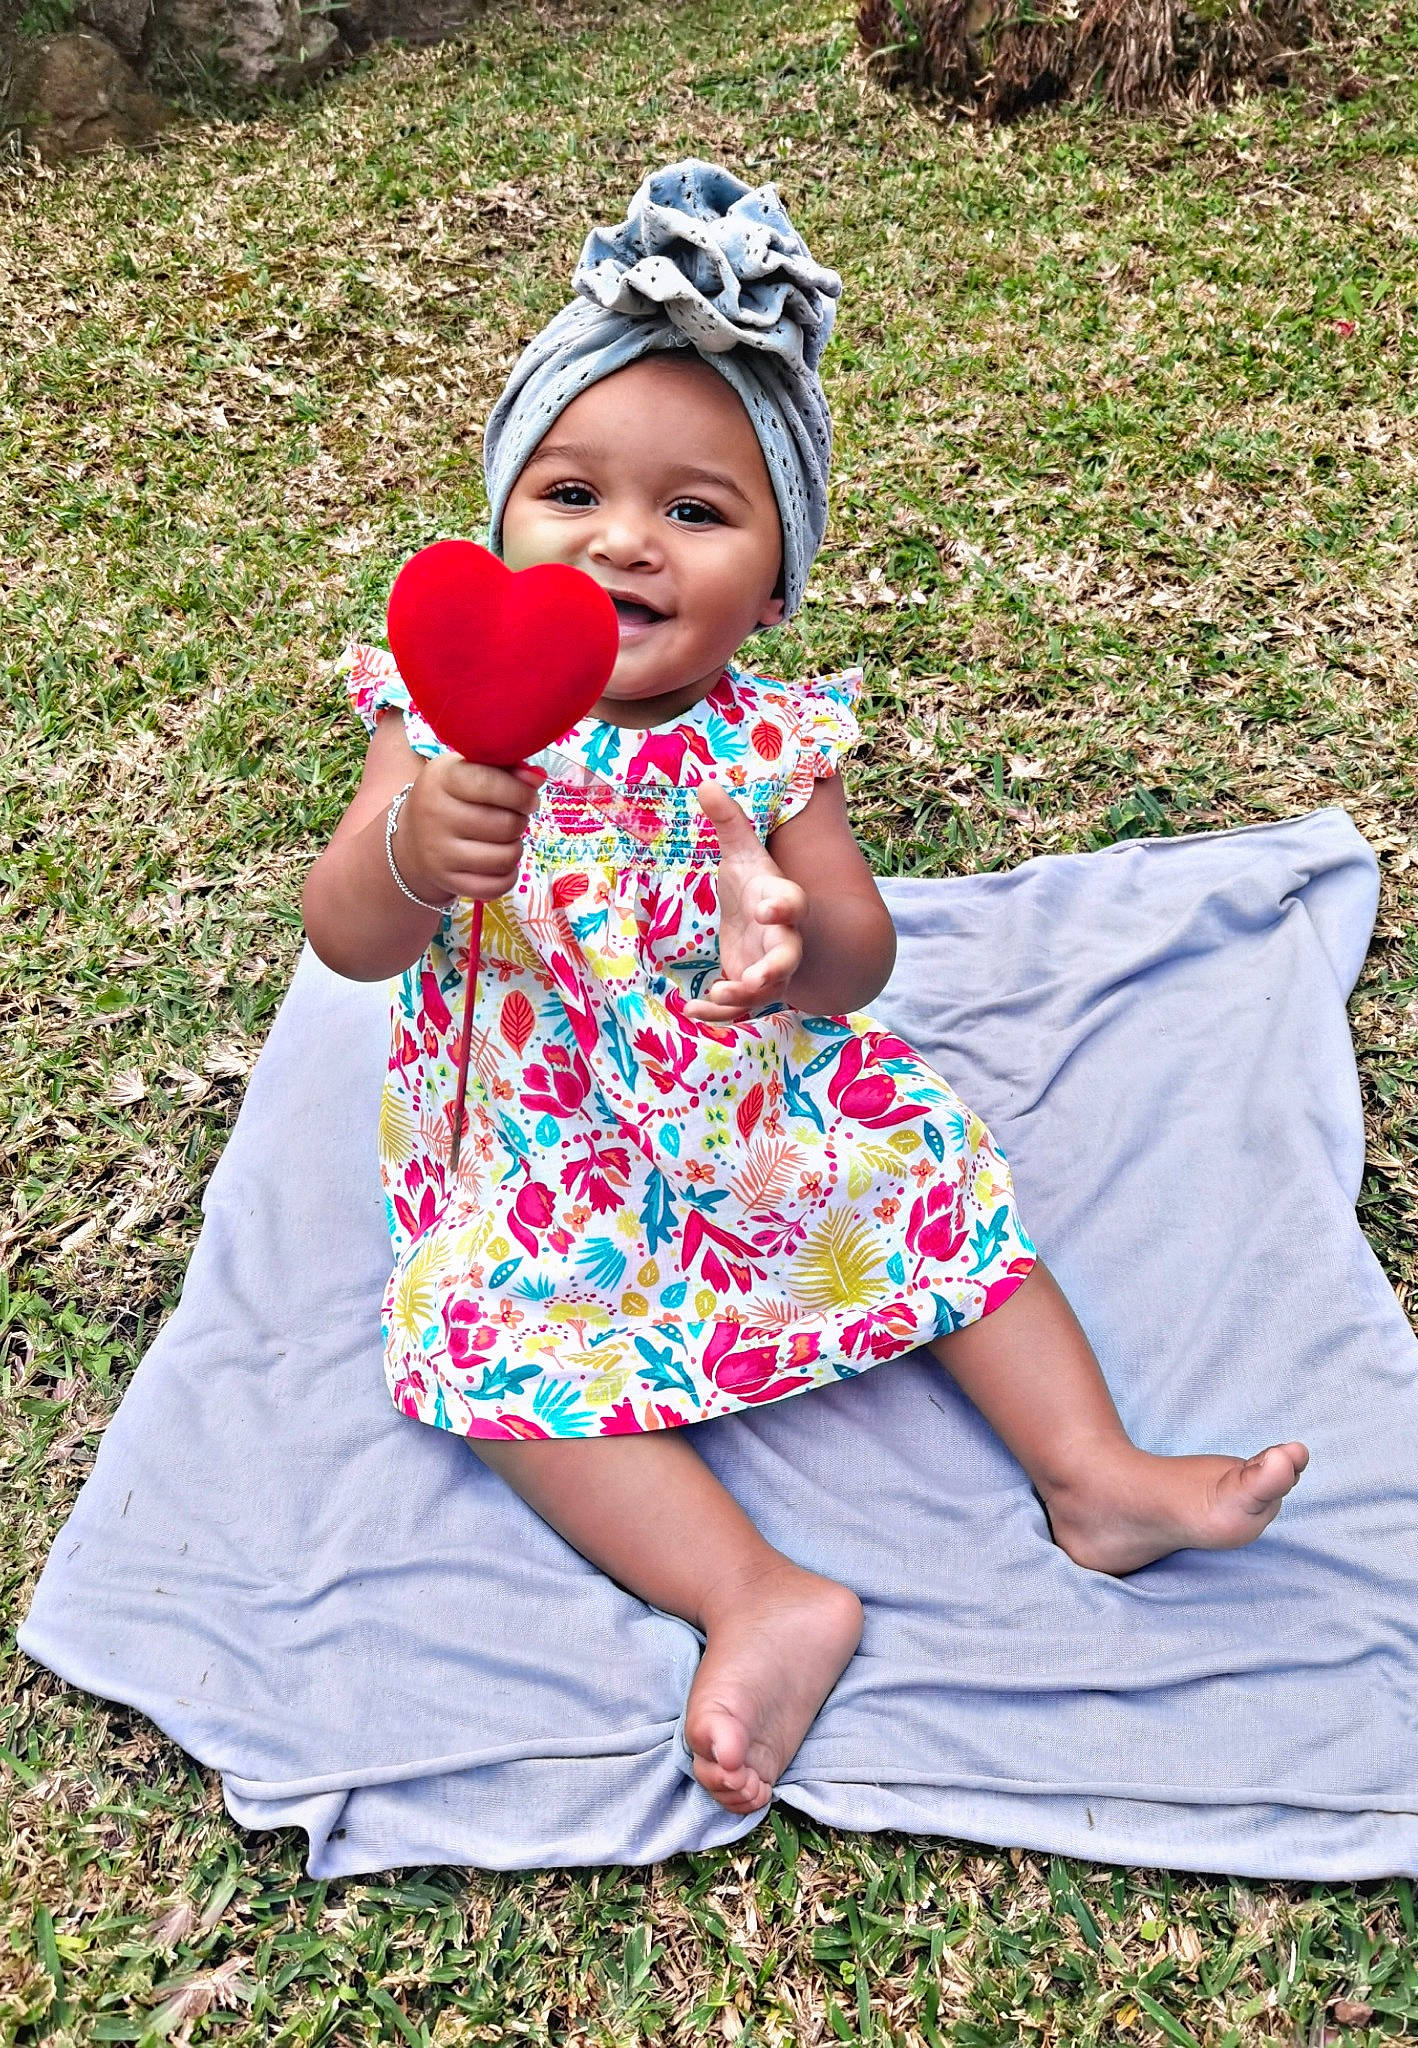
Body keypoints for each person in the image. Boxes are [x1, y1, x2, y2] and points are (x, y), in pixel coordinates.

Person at [303, 162, 1308, 1818]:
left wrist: (794, 940)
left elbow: (860, 959)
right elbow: (351, 938)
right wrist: (415, 843)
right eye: (570, 492)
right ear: (500, 522)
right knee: (487, 1360)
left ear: (772, 580)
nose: (626, 539)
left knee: (940, 1202)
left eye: (699, 511)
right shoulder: (448, 704)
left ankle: (1096, 1474)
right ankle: (753, 1596)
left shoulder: (770, 743)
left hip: (754, 1105)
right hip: (539, 1157)